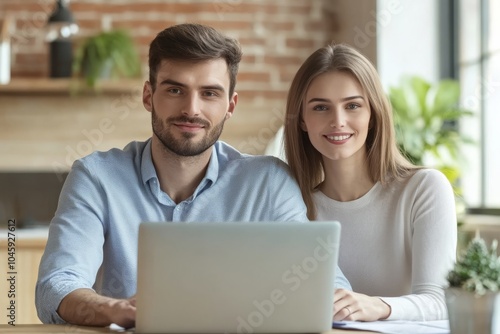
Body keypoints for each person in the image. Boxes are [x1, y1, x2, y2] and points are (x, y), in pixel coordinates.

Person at [35, 24, 351, 328]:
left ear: (231, 105)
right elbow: (56, 287)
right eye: (175, 89)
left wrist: (383, 305)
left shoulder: (268, 182)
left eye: (210, 93)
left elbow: (325, 285)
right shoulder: (96, 177)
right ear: (148, 96)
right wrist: (114, 308)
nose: (191, 109)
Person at [282, 43, 457, 321]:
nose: (338, 121)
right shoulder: (293, 207)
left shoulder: (424, 189)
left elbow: (440, 302)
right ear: (302, 120)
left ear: (372, 114)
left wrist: (377, 306)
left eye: (352, 105)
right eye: (320, 108)